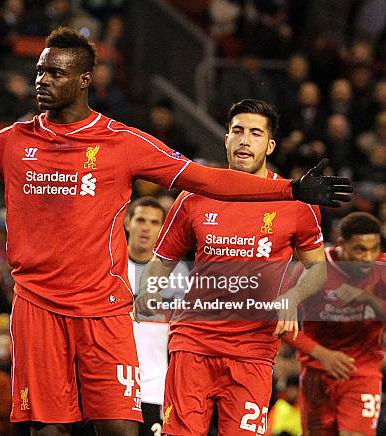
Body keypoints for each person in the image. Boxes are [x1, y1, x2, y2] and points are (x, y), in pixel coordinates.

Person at [0, 28, 351, 435]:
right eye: (40, 72)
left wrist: (290, 192)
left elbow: (207, 179)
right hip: (37, 306)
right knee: (49, 429)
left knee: (120, 426)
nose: (41, 81)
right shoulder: (12, 141)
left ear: (84, 79)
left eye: (55, 73)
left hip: (103, 311)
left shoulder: (122, 142)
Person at [139, 98, 328, 435]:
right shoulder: (194, 197)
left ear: (269, 145)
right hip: (193, 342)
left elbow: (318, 269)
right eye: (237, 131)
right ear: (226, 138)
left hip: (253, 349)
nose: (244, 140)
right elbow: (162, 261)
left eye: (255, 133)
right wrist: (147, 294)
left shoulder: (296, 201)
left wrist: (293, 296)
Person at [283, 211, 384, 435]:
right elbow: (281, 322)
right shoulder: (313, 269)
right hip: (317, 372)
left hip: (362, 373)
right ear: (341, 244)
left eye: (374, 248)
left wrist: (368, 299)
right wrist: (322, 354)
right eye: (360, 249)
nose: (368, 257)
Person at [125, 197, 189, 436]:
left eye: (154, 222)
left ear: (163, 229)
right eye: (140, 220)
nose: (146, 227)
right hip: (112, 378)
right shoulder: (110, 264)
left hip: (155, 385)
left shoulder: (178, 272)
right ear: (127, 222)